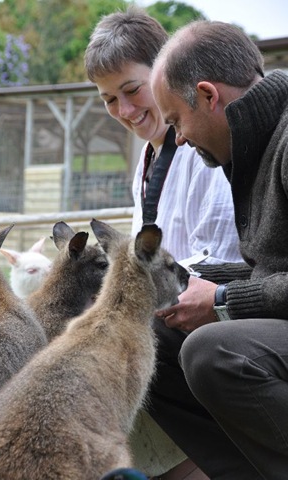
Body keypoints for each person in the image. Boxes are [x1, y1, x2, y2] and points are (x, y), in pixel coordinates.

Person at [84, 8, 243, 480]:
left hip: (215, 308)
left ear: (164, 70)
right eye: (109, 100)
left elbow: (223, 258)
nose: (125, 112)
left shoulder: (202, 140)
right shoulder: (151, 157)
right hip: (172, 301)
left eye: (132, 91)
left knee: (123, 342)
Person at [151, 19, 288, 479]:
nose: (181, 139)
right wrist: (194, 280)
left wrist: (225, 302)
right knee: (147, 337)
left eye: (176, 121)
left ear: (208, 96)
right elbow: (275, 269)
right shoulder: (251, 144)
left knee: (214, 350)